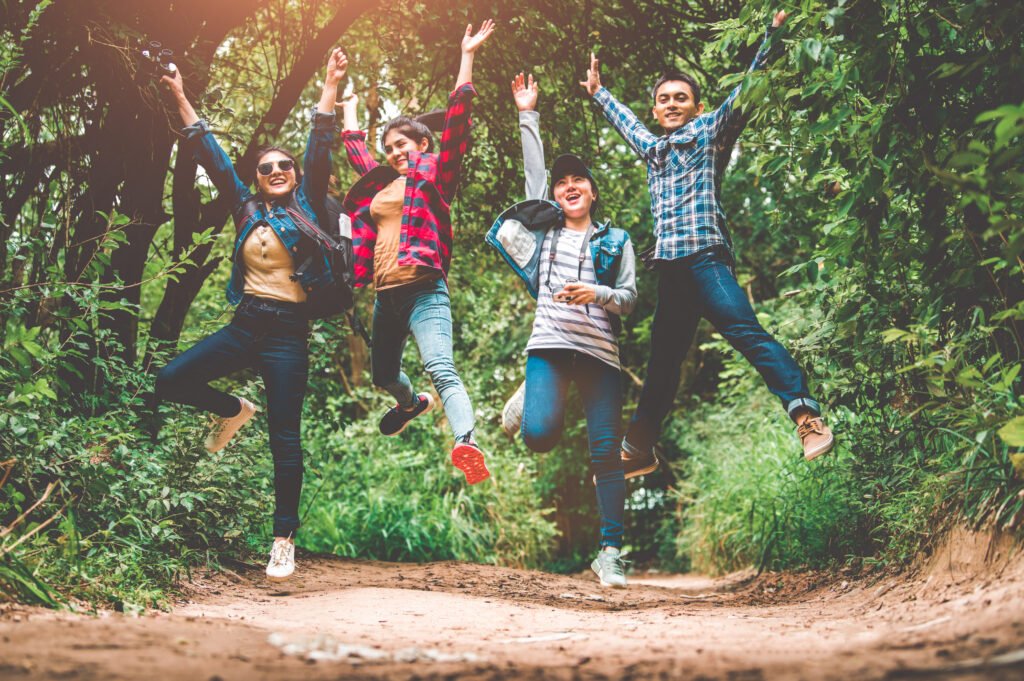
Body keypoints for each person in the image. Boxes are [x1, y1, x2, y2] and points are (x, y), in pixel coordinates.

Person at [581, 11, 835, 469]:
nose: (672, 103)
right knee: (662, 365)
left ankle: (805, 415)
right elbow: (626, 125)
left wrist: (772, 35)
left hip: (707, 263)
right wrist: (599, 94)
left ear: (697, 107)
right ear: (656, 111)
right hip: (673, 275)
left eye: (682, 97)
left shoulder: (710, 132)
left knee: (746, 333)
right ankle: (638, 449)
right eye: (664, 99)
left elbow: (748, 90)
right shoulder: (653, 149)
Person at [155, 48, 349, 581]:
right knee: (171, 378)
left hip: (289, 333)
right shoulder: (245, 208)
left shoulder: (307, 203)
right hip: (246, 325)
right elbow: (209, 149)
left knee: (285, 438)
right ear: (258, 178)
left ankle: (283, 540)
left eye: (284, 165)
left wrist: (330, 83)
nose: (279, 170)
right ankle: (233, 407)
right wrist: (176, 88)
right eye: (268, 168)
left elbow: (319, 145)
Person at [487, 73, 638, 587]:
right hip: (550, 345)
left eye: (579, 181)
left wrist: (597, 294)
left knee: (605, 451)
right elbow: (533, 181)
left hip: (600, 355)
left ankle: (611, 552)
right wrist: (527, 113)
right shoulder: (546, 230)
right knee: (541, 436)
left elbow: (631, 301)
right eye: (562, 183)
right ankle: (529, 397)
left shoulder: (617, 240)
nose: (569, 186)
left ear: (593, 192)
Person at [338, 21, 494, 485]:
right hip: (387, 296)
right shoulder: (382, 185)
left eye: (402, 145)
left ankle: (466, 442)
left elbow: (459, 119)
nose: (394, 153)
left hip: (426, 291)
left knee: (441, 368)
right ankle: (411, 405)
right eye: (388, 149)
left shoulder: (435, 178)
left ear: (422, 144)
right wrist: (347, 108)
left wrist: (466, 56)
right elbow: (355, 152)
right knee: (383, 375)